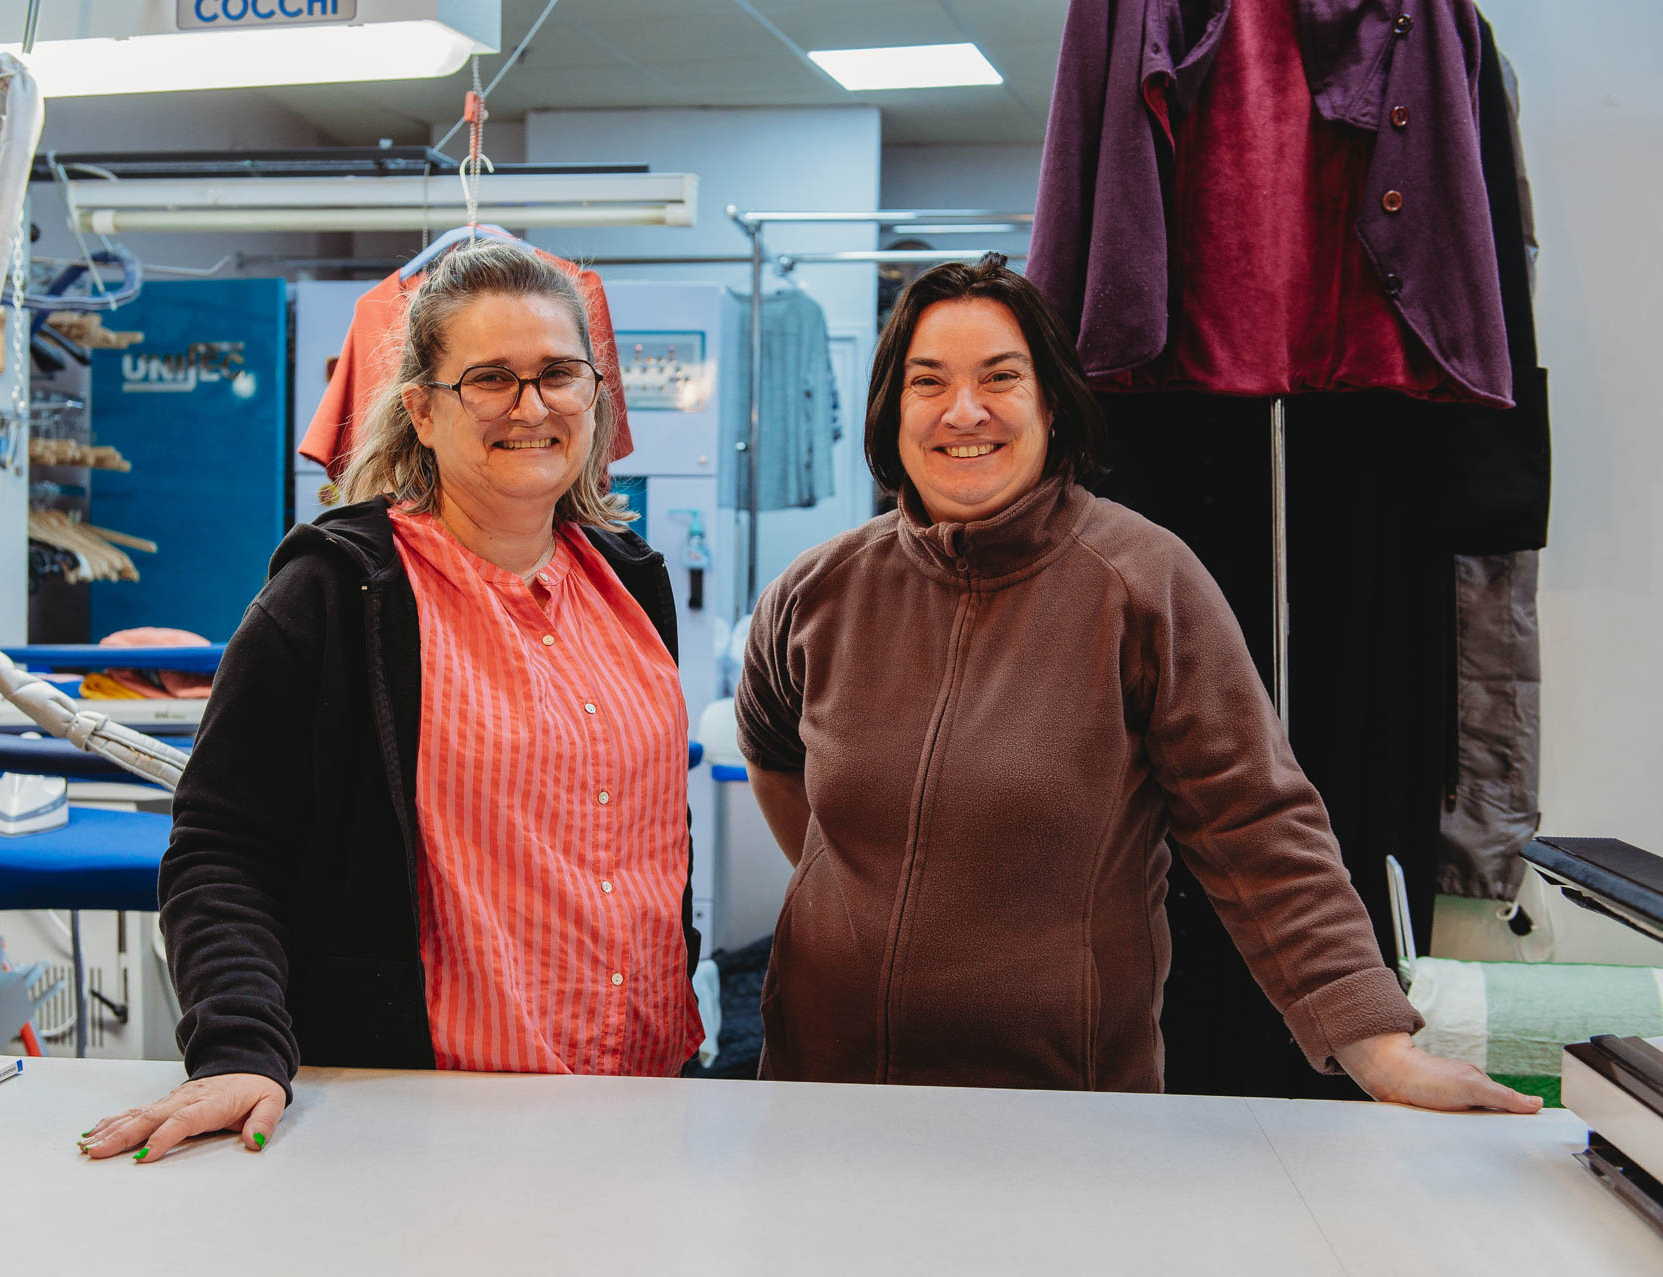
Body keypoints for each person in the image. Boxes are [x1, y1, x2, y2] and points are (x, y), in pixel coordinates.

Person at [735, 253, 1538, 1112]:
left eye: (1000, 377)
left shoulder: (1141, 581)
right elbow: (777, 761)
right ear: (892, 410)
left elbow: (1257, 826)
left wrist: (1376, 1046)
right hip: (823, 1093)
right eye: (928, 381)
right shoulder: (817, 591)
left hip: (1063, 1110)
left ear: (1051, 403)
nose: (963, 411)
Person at [82, 242, 703, 1163]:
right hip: (423, 1123)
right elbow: (221, 845)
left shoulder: (630, 583)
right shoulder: (337, 594)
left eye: (559, 374)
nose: (532, 407)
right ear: (421, 406)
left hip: (646, 1105)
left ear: (594, 393)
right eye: (490, 378)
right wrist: (240, 1047)